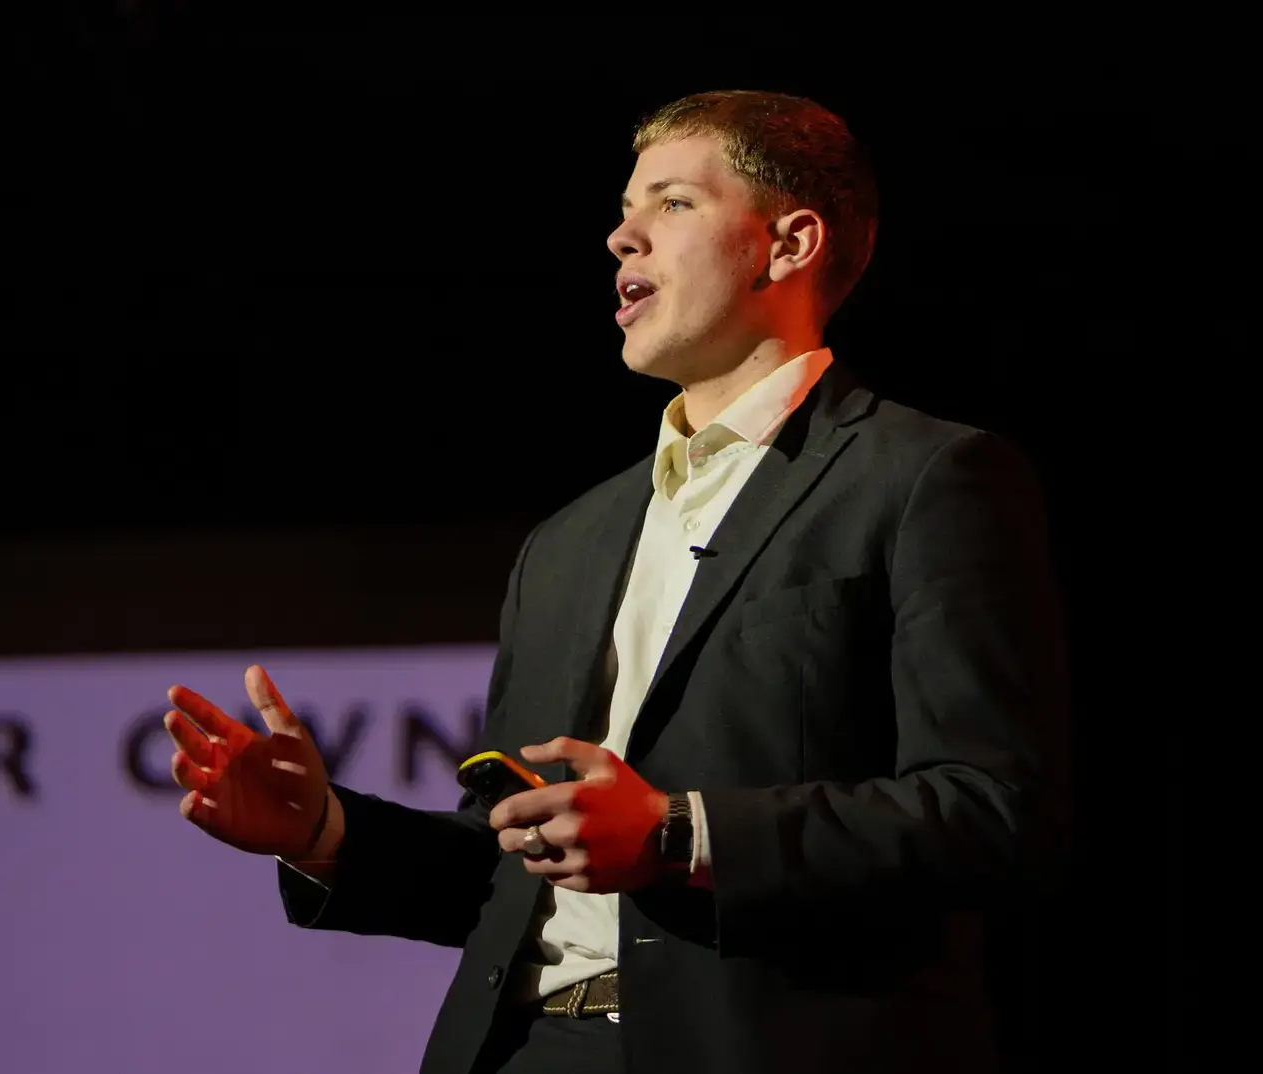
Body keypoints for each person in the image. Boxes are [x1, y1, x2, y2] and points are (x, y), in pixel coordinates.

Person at [160, 89, 1069, 1074]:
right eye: (626, 209)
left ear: (789, 244)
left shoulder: (924, 479)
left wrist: (680, 835)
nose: (620, 237)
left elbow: (991, 813)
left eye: (672, 203)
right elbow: (510, 871)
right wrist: (324, 831)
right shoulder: (568, 542)